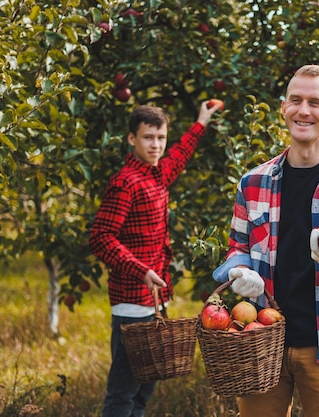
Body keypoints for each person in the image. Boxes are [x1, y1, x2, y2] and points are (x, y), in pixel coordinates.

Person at [212, 64, 319, 417]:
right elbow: (237, 248)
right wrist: (240, 271)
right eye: (296, 100)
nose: (303, 110)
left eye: (315, 102)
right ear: (283, 107)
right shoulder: (253, 182)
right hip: (260, 339)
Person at [90, 101, 221, 417]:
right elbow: (101, 238)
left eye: (160, 138)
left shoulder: (156, 175)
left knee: (143, 391)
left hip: (153, 300)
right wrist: (142, 270)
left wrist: (201, 120)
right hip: (132, 301)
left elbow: (180, 154)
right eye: (149, 138)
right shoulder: (126, 182)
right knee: (122, 393)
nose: (157, 145)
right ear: (132, 139)